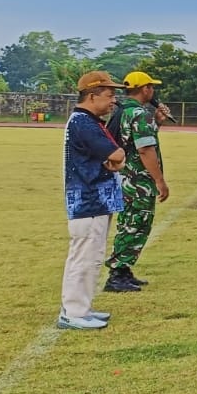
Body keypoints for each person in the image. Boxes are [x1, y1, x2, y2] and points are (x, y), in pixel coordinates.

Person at [59, 71, 126, 329]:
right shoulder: (83, 123)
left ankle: (81, 308)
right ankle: (74, 312)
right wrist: (114, 159)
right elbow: (117, 153)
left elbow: (114, 158)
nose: (113, 102)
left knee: (92, 256)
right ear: (91, 95)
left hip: (95, 200)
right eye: (109, 95)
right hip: (88, 200)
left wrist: (113, 160)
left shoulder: (89, 121)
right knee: (84, 257)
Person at [104, 71, 170, 291]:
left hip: (126, 178)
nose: (153, 91)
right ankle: (117, 273)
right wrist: (160, 181)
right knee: (135, 225)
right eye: (151, 87)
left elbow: (134, 141)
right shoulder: (140, 113)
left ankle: (123, 270)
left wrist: (158, 122)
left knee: (130, 223)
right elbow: (144, 149)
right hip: (138, 180)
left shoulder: (123, 111)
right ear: (145, 89)